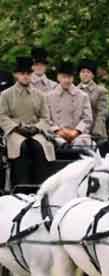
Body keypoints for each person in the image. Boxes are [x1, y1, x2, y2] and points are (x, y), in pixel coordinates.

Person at [0, 56, 52, 188]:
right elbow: (2, 115)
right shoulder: (6, 94)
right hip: (15, 131)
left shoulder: (40, 95)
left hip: (35, 130)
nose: (25, 77)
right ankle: (20, 187)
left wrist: (37, 128)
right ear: (16, 75)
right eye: (22, 74)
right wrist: (16, 128)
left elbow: (46, 117)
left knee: (39, 147)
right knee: (20, 148)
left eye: (28, 74)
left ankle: (41, 187)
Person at [47, 61, 93, 147]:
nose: (67, 80)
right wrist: (57, 130)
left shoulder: (82, 96)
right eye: (64, 77)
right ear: (58, 77)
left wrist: (76, 131)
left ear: (73, 78)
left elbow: (87, 119)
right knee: (50, 142)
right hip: (56, 134)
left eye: (69, 77)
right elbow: (46, 118)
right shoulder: (49, 96)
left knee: (84, 142)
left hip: (78, 135)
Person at [77, 58, 109, 142]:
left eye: (88, 72)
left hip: (95, 132)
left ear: (93, 75)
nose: (85, 74)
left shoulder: (100, 91)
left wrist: (96, 132)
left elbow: (102, 113)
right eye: (83, 72)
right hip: (77, 132)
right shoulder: (74, 90)